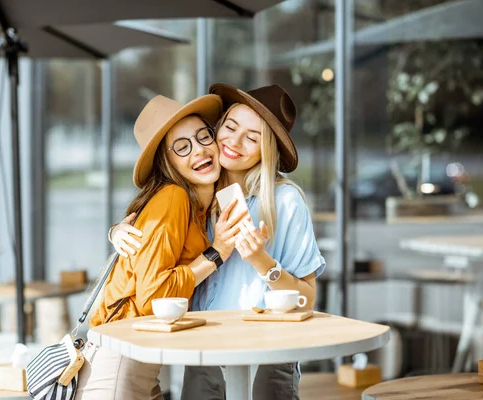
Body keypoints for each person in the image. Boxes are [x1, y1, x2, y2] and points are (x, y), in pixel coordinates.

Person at [109, 84, 326, 400]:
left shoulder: (285, 201)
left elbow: (306, 300)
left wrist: (260, 261)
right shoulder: (194, 200)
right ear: (217, 127)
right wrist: (117, 231)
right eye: (230, 127)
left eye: (252, 138)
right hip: (203, 352)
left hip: (268, 354)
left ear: (267, 150)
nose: (234, 142)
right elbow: (155, 265)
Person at [76, 94, 246, 400]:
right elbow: (154, 295)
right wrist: (216, 253)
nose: (199, 150)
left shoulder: (203, 208)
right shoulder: (174, 198)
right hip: (119, 363)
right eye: (182, 147)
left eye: (203, 136)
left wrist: (115, 231)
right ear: (167, 162)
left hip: (136, 362)